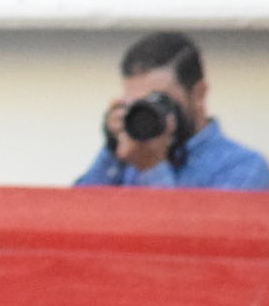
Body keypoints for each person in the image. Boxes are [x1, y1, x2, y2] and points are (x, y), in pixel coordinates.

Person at [75, 32, 269, 191]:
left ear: (198, 94)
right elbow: (74, 220)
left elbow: (198, 237)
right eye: (137, 103)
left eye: (158, 100)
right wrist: (111, 150)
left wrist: (151, 169)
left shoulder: (242, 166)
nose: (147, 113)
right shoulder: (130, 152)